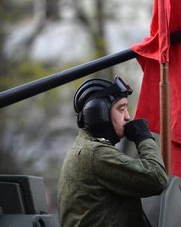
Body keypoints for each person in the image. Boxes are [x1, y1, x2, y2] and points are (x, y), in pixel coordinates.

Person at [57, 76, 169, 227]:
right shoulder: (95, 154)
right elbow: (157, 178)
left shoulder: (87, 147)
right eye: (121, 109)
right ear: (98, 114)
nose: (128, 117)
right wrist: (144, 138)